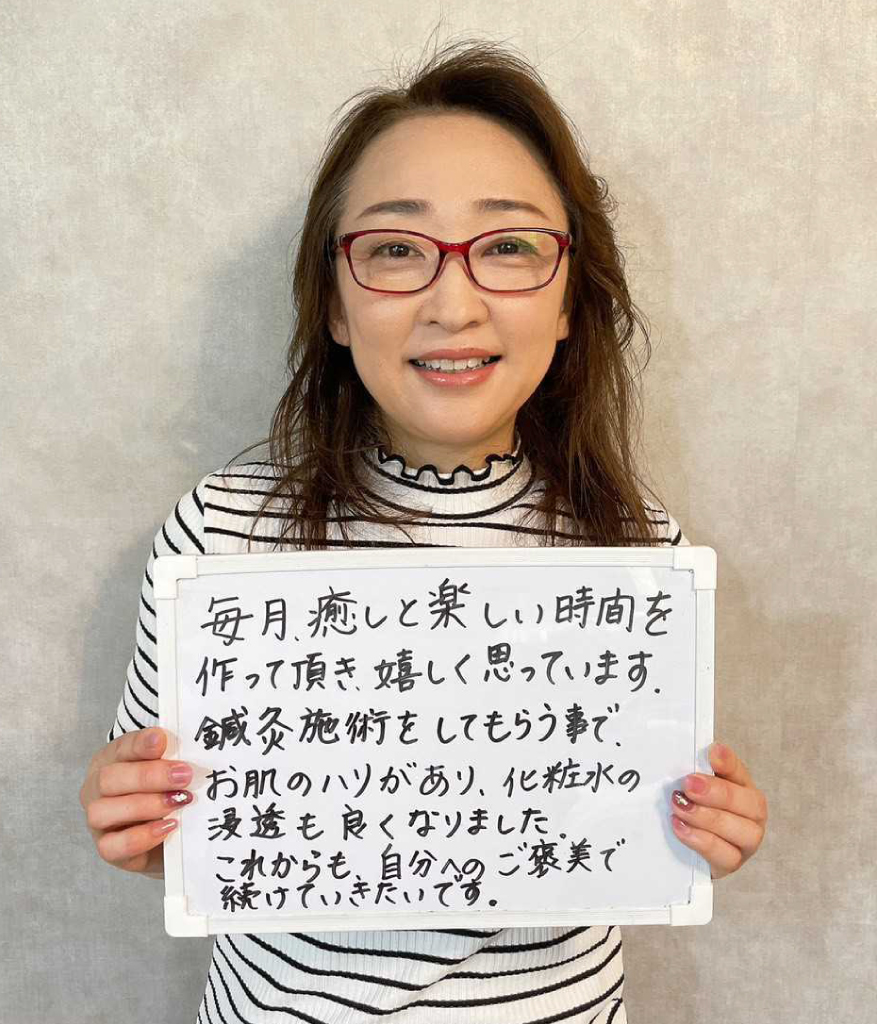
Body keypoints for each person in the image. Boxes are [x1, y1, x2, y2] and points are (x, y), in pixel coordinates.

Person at [79, 38, 767, 1024]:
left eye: (509, 246)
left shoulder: (635, 547)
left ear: (569, 299)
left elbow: (636, 809)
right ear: (334, 303)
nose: (453, 303)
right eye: (396, 249)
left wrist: (705, 826)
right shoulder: (223, 532)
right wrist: (134, 820)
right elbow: (175, 830)